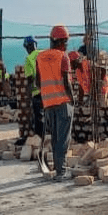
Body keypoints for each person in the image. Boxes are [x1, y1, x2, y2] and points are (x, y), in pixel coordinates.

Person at [36, 25, 74, 182]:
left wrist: (47, 92)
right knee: (63, 139)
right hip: (63, 103)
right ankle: (61, 172)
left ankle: (59, 168)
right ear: (63, 41)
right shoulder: (63, 57)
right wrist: (72, 99)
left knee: (55, 138)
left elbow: (37, 82)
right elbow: (66, 82)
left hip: (48, 104)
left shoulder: (40, 57)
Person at [23, 36, 44, 138]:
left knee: (39, 117)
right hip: (50, 90)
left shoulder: (29, 59)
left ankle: (39, 138)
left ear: (27, 47)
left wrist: (28, 95)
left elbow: (30, 79)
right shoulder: (43, 53)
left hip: (38, 92)